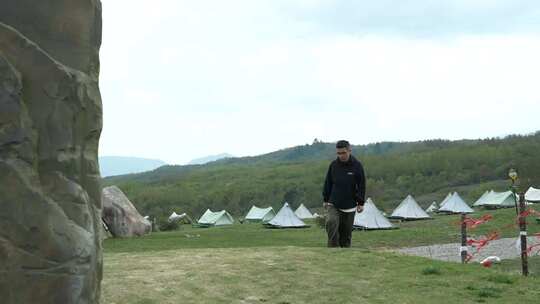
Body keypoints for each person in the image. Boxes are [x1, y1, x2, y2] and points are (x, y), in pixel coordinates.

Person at [322, 140, 366, 248]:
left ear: (349, 151)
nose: (341, 155)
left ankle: (344, 256)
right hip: (334, 203)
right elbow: (328, 182)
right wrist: (326, 199)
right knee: (331, 222)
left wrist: (360, 203)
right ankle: (333, 250)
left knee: (345, 237)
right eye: (338, 153)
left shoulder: (357, 165)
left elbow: (361, 185)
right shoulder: (333, 165)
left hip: (349, 206)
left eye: (343, 153)